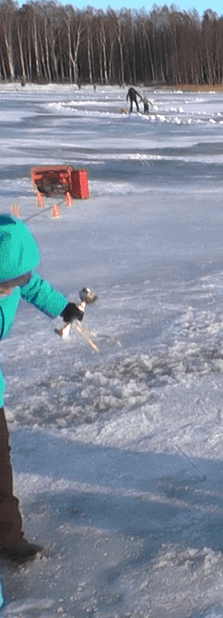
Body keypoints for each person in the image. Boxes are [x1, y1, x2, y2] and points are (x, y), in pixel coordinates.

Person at [0, 215, 86, 563]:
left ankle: (7, 538)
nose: (13, 288)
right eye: (7, 284)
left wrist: (62, 308)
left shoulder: (14, 275)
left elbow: (31, 286)